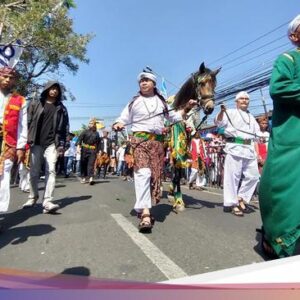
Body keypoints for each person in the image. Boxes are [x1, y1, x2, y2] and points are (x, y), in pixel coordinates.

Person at [113, 71, 197, 233]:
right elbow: (123, 118)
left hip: (157, 144)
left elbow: (174, 117)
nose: (143, 83)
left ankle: (145, 206)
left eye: (146, 80)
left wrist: (187, 107)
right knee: (143, 173)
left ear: (153, 83)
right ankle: (145, 212)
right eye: (141, 81)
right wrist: (118, 123)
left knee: (154, 177)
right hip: (139, 141)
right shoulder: (134, 102)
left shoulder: (162, 102)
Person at [259, 15, 300, 258]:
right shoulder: (288, 59)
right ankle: (279, 238)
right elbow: (279, 88)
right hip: (292, 137)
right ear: (295, 36)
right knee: (285, 187)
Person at [22, 81, 69, 213]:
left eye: (56, 89)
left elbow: (65, 127)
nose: (54, 91)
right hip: (35, 143)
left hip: (52, 144)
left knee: (51, 170)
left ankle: (47, 201)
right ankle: (33, 196)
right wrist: (26, 140)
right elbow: (27, 122)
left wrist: (62, 145)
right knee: (34, 171)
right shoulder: (35, 103)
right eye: (52, 89)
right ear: (47, 89)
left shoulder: (61, 108)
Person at [214, 91, 260, 217]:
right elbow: (218, 122)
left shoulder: (251, 117)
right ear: (236, 101)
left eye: (246, 99)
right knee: (233, 177)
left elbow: (257, 135)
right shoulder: (231, 112)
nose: (244, 100)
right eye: (242, 99)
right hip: (234, 147)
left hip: (249, 149)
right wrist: (222, 111)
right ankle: (232, 203)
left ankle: (241, 198)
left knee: (254, 176)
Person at [0, 66, 27, 229]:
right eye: (4, 76)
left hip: (8, 142)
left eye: (11, 77)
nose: (8, 80)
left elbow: (23, 127)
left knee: (4, 175)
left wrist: (21, 146)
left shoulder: (20, 100)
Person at [76, 118, 100, 184]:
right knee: (83, 163)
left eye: (92, 123)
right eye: (89, 123)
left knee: (91, 164)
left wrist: (98, 151)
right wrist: (78, 147)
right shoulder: (85, 131)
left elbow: (98, 143)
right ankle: (84, 177)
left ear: (94, 125)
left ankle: (91, 178)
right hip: (84, 149)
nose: (90, 124)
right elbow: (79, 139)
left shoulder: (97, 133)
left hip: (93, 150)